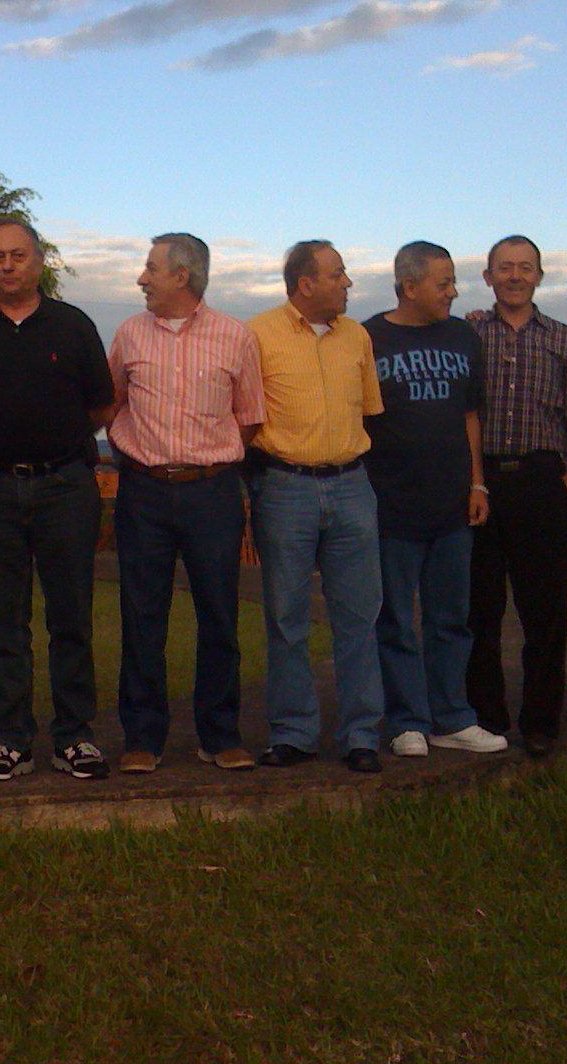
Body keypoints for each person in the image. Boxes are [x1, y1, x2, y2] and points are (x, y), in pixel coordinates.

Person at [0, 217, 116, 782]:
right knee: (4, 622)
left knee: (71, 617)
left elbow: (102, 405)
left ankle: (75, 737)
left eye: (18, 255)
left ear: (39, 262)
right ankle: (10, 739)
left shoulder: (73, 325)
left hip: (65, 486)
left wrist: (58, 443)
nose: (8, 265)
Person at [107, 233, 265, 774]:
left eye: (151, 269)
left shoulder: (235, 337)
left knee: (219, 613)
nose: (142, 279)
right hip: (143, 492)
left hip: (212, 492)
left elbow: (250, 417)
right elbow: (112, 404)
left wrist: (206, 460)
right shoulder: (129, 334)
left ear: (183, 275)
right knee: (141, 615)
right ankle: (142, 738)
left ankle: (220, 735)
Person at [247, 240, 387, 774]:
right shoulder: (258, 335)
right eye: (338, 274)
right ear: (306, 284)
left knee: (360, 617)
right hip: (285, 488)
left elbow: (369, 410)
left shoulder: (357, 336)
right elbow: (244, 414)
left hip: (352, 484)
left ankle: (361, 734)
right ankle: (293, 733)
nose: (347, 283)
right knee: (286, 617)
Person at [363, 242, 506, 759]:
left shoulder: (462, 336)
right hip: (390, 505)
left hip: (452, 506)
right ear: (409, 286)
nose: (453, 292)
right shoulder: (368, 338)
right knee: (396, 622)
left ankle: (451, 717)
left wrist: (477, 483)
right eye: (443, 283)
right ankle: (406, 723)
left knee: (451, 619)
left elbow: (470, 415)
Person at [466, 235, 567, 757]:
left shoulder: (562, 339)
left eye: (525, 268)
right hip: (481, 483)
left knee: (544, 613)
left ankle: (541, 723)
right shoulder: (469, 334)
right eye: (505, 268)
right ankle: (486, 718)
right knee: (480, 610)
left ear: (540, 276)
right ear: (488, 277)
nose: (515, 276)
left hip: (543, 482)